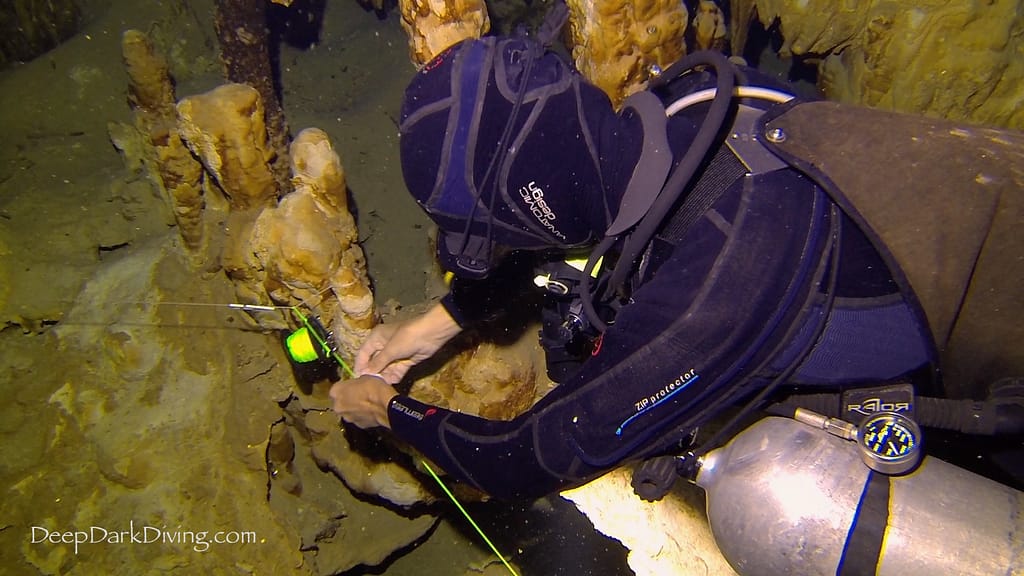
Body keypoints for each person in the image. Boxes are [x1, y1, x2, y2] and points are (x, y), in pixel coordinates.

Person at [329, 13, 1024, 500]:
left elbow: (529, 457)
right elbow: (581, 214)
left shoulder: (718, 285)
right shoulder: (684, 104)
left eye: (504, 233)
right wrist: (433, 326)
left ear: (537, 204)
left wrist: (389, 411)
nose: (507, 252)